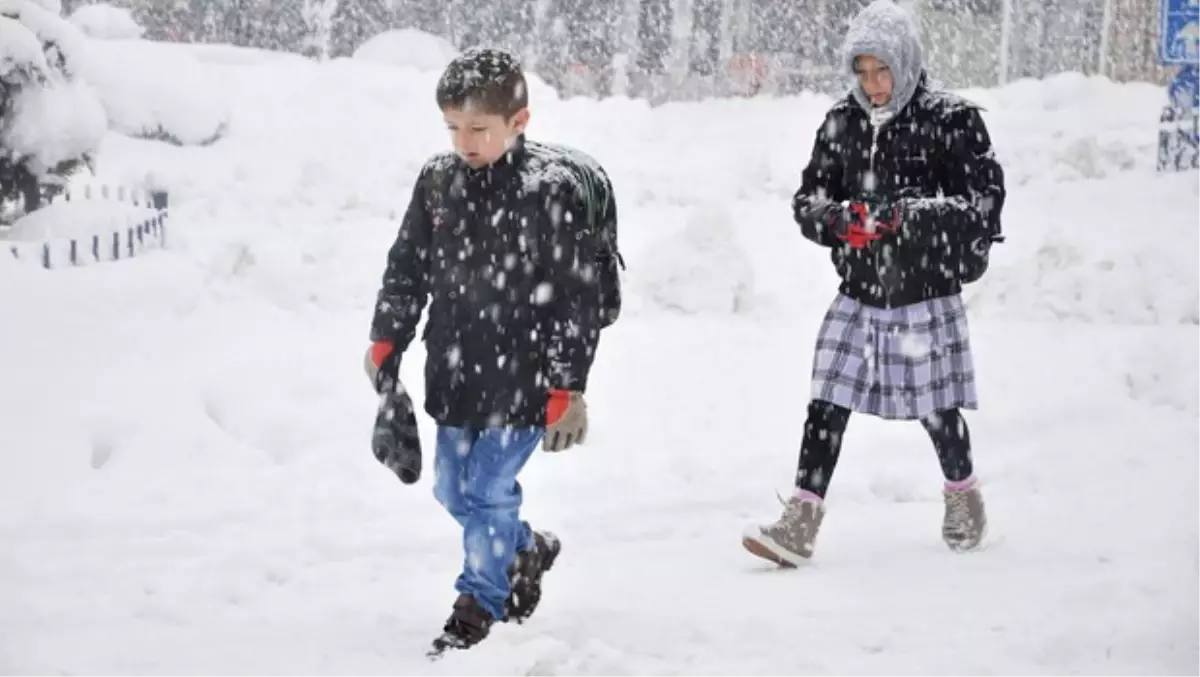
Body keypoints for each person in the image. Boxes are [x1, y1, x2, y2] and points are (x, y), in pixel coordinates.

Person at [364, 47, 622, 655]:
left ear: (519, 122)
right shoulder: (437, 182)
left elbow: (575, 300)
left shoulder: (547, 192)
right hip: (455, 369)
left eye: (479, 129)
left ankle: (480, 598)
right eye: (453, 128)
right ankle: (523, 548)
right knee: (451, 490)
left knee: (486, 489)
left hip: (526, 374)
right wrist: (386, 339)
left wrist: (565, 387)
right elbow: (408, 267)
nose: (465, 142)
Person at [742, 0, 1006, 566]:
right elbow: (807, 199)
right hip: (860, 291)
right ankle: (802, 519)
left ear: (907, 63)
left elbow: (982, 206)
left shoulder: (953, 120)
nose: (873, 84)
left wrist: (906, 217)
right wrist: (837, 220)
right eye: (862, 72)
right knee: (827, 401)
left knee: (936, 408)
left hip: (925, 291)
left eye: (882, 70)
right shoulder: (842, 121)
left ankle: (964, 496)